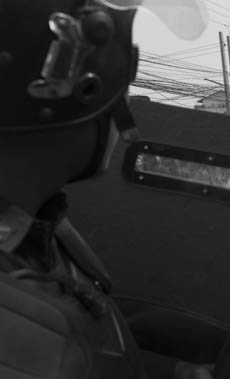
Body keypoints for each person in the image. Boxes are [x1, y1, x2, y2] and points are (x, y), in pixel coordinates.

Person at [0, 1, 212, 378]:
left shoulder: (37, 223)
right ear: (78, 89)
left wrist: (172, 371)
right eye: (124, 86)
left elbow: (91, 337)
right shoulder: (21, 337)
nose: (126, 108)